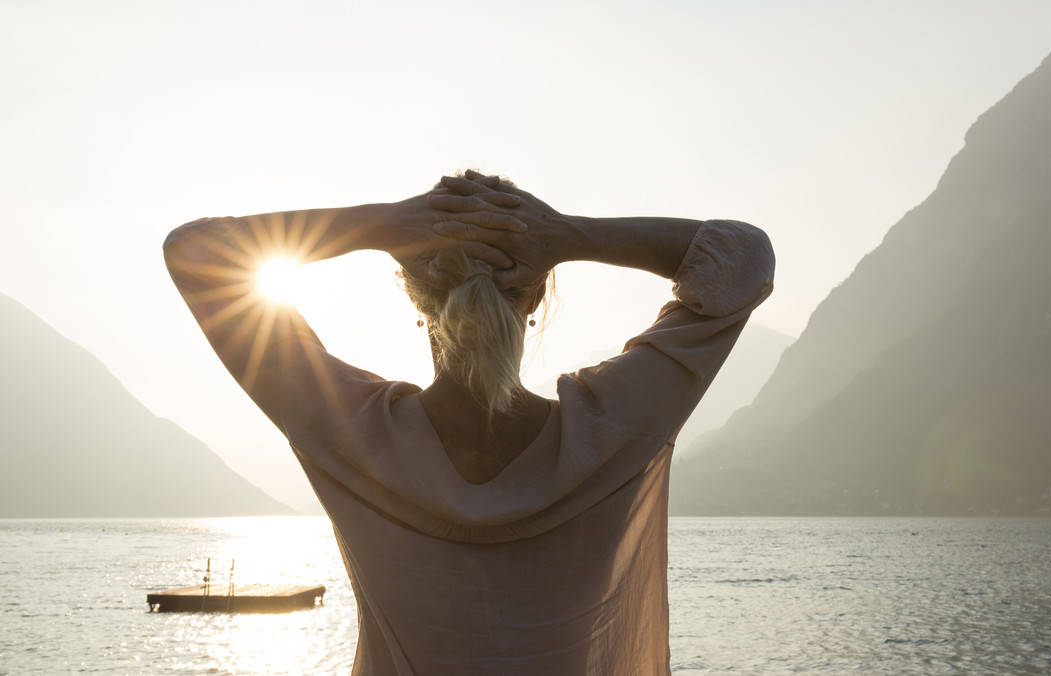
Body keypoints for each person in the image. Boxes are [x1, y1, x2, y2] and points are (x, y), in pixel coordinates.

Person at [164, 171, 774, 675]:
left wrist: (379, 224)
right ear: (536, 297)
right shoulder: (612, 432)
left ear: (412, 295)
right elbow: (745, 259)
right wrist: (565, 234)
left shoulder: (349, 431)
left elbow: (194, 252)